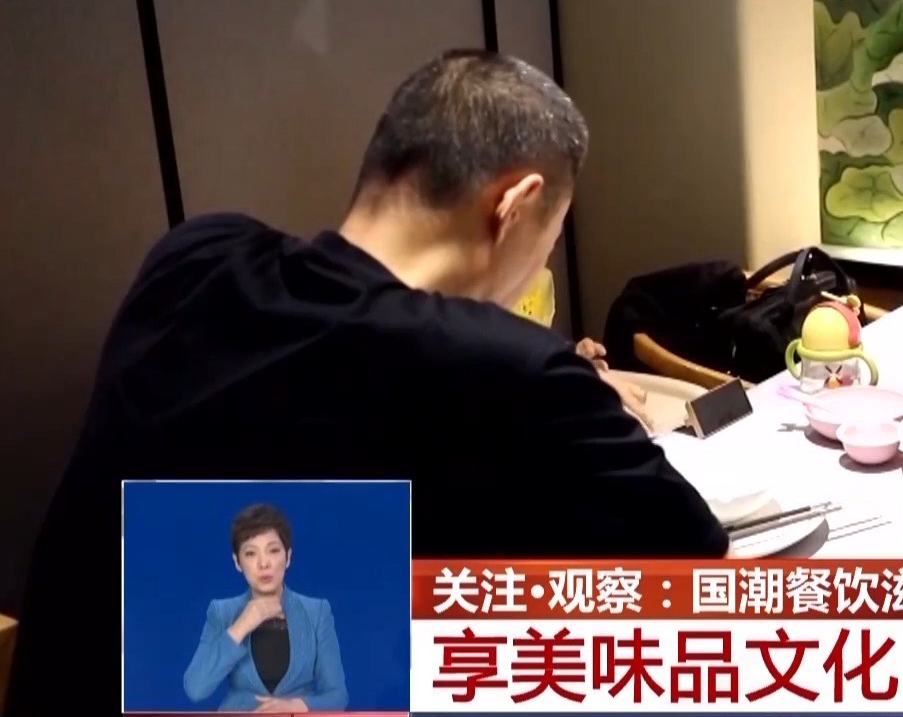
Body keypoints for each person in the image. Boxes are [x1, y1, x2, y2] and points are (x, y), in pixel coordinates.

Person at [8, 50, 726, 715]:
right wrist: (571, 394)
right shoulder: (510, 372)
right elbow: (700, 571)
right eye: (551, 234)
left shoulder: (192, 259)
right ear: (513, 206)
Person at [183, 505, 345, 712]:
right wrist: (241, 626)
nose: (263, 564)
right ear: (237, 562)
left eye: (273, 550)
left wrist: (298, 705)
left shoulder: (317, 612)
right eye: (251, 553)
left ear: (288, 557)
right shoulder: (222, 612)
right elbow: (196, 688)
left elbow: (337, 695)